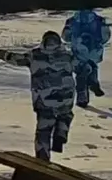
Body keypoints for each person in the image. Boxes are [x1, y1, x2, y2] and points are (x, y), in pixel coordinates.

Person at [14, 29, 76, 159]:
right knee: (66, 114)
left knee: (43, 130)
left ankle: (42, 159)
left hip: (44, 99)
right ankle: (61, 133)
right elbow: (82, 66)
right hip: (65, 97)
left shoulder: (34, 55)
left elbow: (16, 59)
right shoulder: (69, 56)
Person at [62, 7, 111, 106]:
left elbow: (66, 37)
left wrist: (72, 39)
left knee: (81, 73)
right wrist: (99, 43)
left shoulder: (71, 21)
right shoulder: (99, 20)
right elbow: (106, 36)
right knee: (92, 66)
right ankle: (93, 82)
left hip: (78, 51)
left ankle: (82, 98)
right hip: (94, 50)